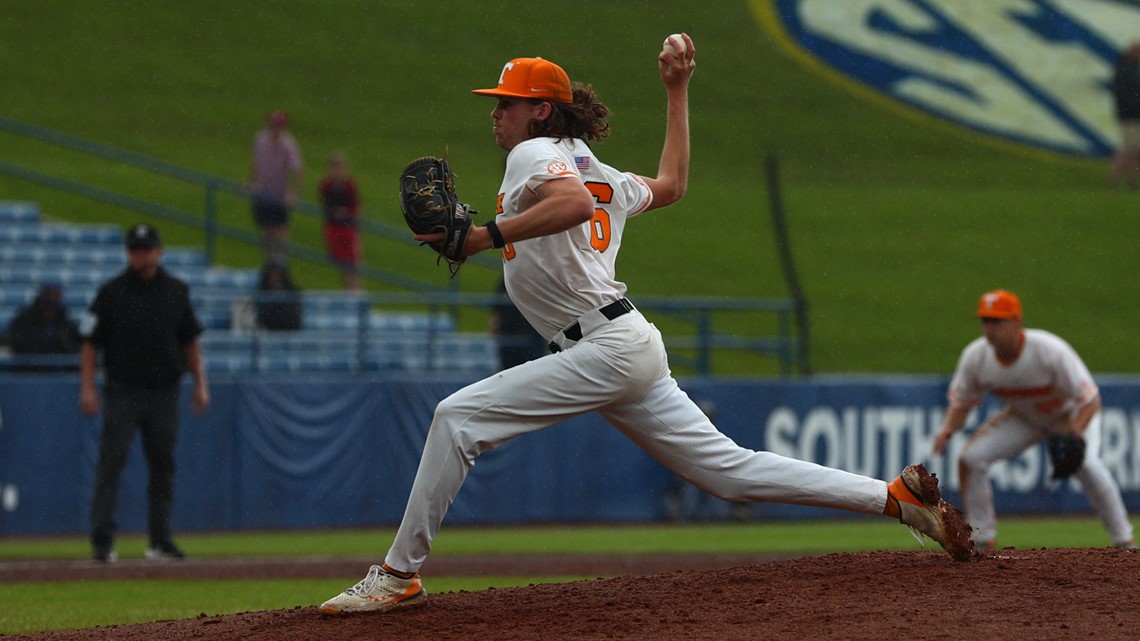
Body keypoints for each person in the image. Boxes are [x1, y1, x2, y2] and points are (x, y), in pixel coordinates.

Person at [319, 37, 972, 616]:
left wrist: (485, 236)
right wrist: (677, 91)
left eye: (508, 102)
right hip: (623, 343)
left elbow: (569, 202)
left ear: (541, 111)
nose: (496, 112)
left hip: (601, 344)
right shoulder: (593, 167)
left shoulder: (537, 154)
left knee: (455, 419)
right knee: (729, 471)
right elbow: (672, 183)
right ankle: (896, 499)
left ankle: (399, 574)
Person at [932, 290, 1134, 550]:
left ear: (1017, 322)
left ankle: (1124, 540)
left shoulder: (1049, 350)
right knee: (972, 458)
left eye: (998, 321)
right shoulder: (976, 357)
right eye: (986, 321)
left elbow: (1090, 400)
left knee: (1090, 467)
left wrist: (1075, 431)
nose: (990, 328)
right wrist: (948, 428)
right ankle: (982, 537)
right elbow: (962, 402)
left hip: (1069, 416)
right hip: (1026, 418)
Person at [79, 223, 210, 563]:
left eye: (146, 249)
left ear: (158, 251)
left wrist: (200, 383)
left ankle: (160, 540)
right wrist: (87, 386)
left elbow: (190, 341)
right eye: (135, 249)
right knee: (112, 462)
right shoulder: (111, 292)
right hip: (123, 390)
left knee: (163, 465)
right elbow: (90, 344)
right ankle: (103, 540)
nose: (141, 255)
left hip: (164, 391)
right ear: (128, 253)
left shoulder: (176, 291)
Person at [248, 109, 303, 262]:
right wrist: (250, 182)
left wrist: (293, 194)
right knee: (265, 231)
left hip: (279, 195)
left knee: (280, 231)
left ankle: (280, 265)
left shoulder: (288, 144)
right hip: (263, 192)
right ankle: (269, 264)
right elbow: (257, 164)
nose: (275, 128)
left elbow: (297, 169)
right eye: (273, 125)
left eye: (279, 125)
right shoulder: (261, 140)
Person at [6, 282, 82, 370]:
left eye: (57, 295)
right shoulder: (22, 321)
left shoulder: (67, 323)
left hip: (59, 371)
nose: (54, 299)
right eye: (50, 295)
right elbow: (18, 345)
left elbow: (76, 348)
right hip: (27, 371)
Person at [318, 151, 363, 291]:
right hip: (334, 228)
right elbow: (325, 207)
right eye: (334, 168)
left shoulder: (349, 186)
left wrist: (347, 215)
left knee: (354, 261)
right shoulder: (326, 186)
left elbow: (355, 207)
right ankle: (350, 290)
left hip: (348, 228)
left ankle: (356, 290)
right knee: (343, 262)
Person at [490, 278, 546, 369]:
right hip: (510, 334)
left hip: (531, 334)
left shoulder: (535, 280)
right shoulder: (507, 280)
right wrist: (495, 325)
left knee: (532, 369)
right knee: (509, 370)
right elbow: (497, 308)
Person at [1110, 43, 1140, 189]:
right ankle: (1114, 180)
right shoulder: (1127, 69)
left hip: (1129, 115)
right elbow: (1125, 96)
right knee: (1128, 150)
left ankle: (1133, 181)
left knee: (1132, 150)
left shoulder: (1126, 67)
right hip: (1130, 116)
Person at [255, 259, 303, 331]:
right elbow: (260, 316)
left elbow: (294, 319)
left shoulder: (291, 292)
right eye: (272, 274)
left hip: (288, 330)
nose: (274, 277)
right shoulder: (261, 293)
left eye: (277, 274)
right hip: (267, 331)